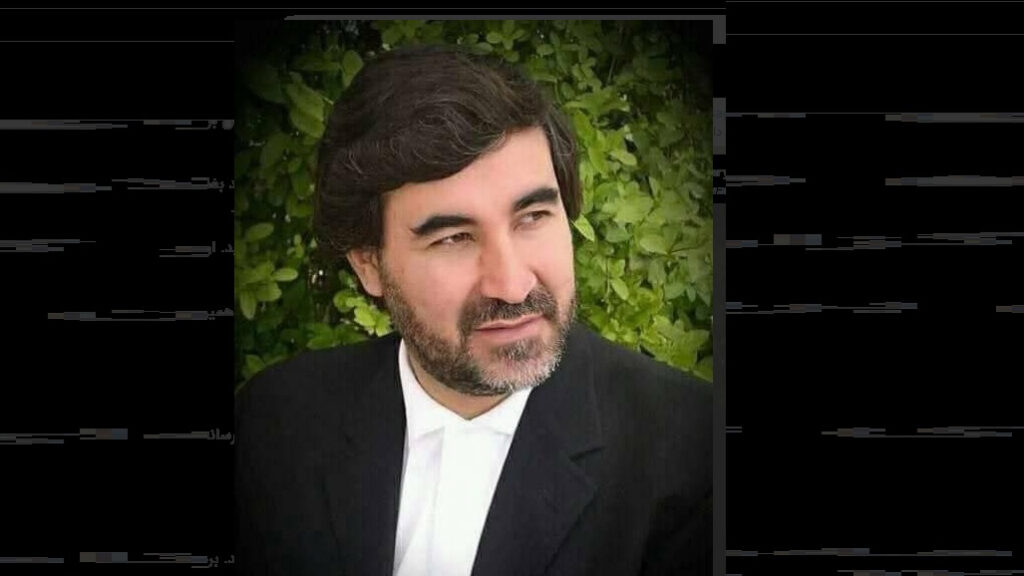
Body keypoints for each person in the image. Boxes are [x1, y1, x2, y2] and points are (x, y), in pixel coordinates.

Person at [234, 43, 711, 576]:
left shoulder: (695, 453)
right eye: (454, 238)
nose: (512, 285)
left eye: (533, 217)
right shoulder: (276, 422)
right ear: (369, 264)